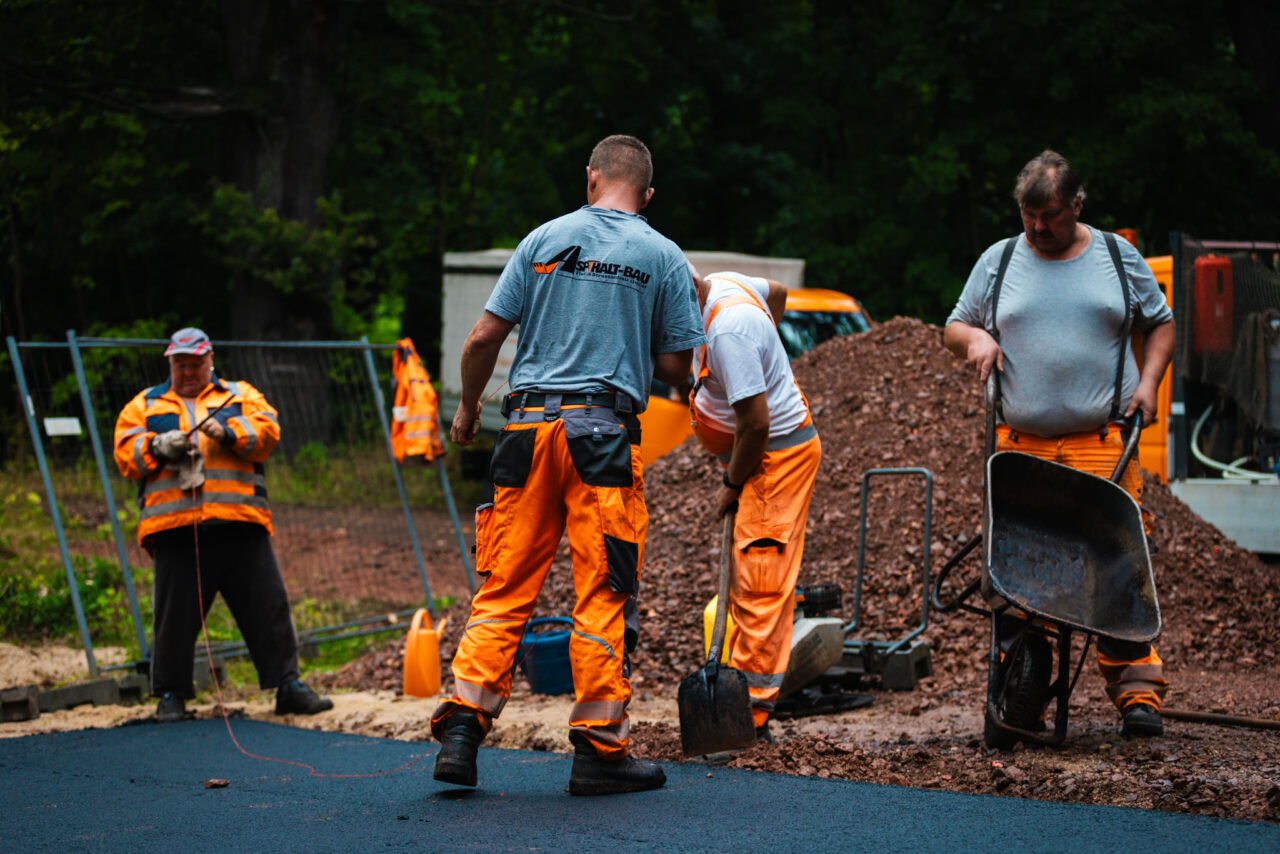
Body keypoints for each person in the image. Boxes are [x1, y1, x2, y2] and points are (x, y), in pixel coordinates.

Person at [430, 135, 704, 795]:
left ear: (591, 178)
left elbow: (483, 338)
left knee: (504, 585)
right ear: (647, 195)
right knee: (602, 590)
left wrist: (466, 410)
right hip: (601, 437)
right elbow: (677, 368)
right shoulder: (663, 255)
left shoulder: (541, 239)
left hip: (525, 433)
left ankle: (462, 731)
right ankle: (598, 753)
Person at [943, 150, 1176, 737]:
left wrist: (1149, 383)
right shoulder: (999, 261)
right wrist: (974, 341)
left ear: (1077, 205)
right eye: (1028, 215)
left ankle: (1138, 694)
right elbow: (954, 325)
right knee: (1019, 574)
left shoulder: (1117, 258)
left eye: (1049, 215)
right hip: (1020, 449)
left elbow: (1161, 322)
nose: (1037, 227)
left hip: (1102, 442)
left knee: (1118, 564)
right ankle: (1023, 693)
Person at [113, 327, 332, 723]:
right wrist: (157, 446)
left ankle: (288, 686)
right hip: (175, 527)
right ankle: (170, 695)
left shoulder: (240, 395)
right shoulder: (143, 404)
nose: (188, 372)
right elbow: (125, 454)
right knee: (173, 617)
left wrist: (227, 432)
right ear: (170, 364)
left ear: (210, 360)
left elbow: (268, 432)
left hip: (240, 522)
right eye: (180, 365)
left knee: (268, 607)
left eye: (195, 365)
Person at [688, 270, 822, 744]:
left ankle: (750, 716)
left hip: (772, 458)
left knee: (760, 584)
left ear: (688, 295)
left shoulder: (730, 330)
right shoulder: (720, 284)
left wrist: (731, 482)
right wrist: (767, 357)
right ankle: (744, 696)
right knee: (750, 577)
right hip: (754, 456)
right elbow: (778, 293)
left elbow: (757, 425)